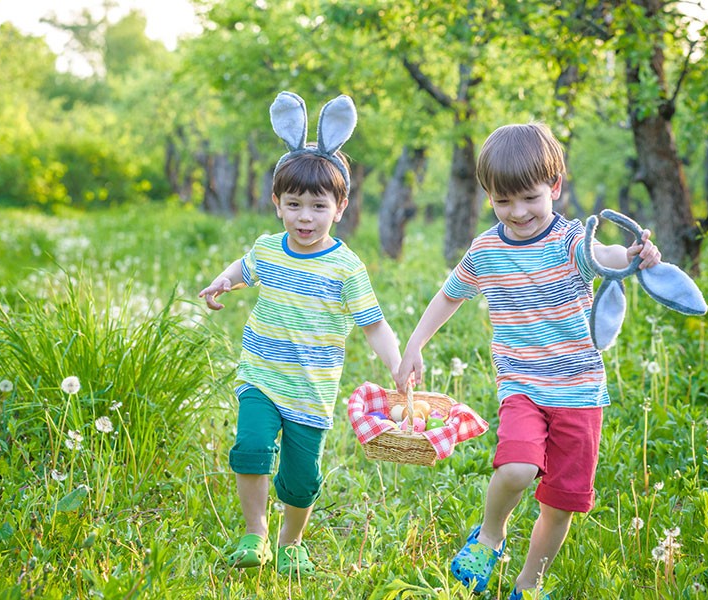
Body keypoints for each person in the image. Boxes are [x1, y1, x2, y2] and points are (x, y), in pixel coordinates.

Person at [395, 123, 661, 599]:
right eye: (502, 202)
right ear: (488, 197)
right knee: (516, 470)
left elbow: (606, 253)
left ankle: (529, 581)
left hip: (579, 392)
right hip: (522, 383)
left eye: (530, 198)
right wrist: (414, 345)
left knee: (559, 505)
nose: (517, 213)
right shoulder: (486, 250)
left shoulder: (571, 242)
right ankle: (490, 536)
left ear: (555, 186)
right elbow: (449, 296)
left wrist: (638, 253)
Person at [199, 92, 401, 577]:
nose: (304, 217)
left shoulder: (345, 266)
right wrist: (225, 279)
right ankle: (257, 534)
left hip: (311, 390)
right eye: (293, 204)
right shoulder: (268, 249)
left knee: (301, 478)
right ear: (277, 204)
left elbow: (373, 323)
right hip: (261, 375)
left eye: (317, 205)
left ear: (340, 206)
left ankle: (292, 540)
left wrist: (398, 365)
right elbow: (245, 268)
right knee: (249, 448)